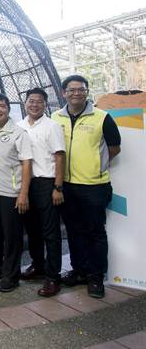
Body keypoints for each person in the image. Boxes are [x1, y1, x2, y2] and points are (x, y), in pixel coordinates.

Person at [52, 74, 121, 299]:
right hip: (67, 185)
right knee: (73, 231)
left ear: (86, 92)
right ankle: (79, 270)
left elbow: (114, 148)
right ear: (64, 93)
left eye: (80, 89)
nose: (76, 93)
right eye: (71, 90)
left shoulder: (102, 117)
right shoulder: (55, 117)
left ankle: (95, 276)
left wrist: (96, 166)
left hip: (93, 185)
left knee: (95, 232)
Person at [17, 88, 66, 297]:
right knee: (33, 230)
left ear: (45, 104)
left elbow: (60, 157)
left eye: (38, 101)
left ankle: (53, 277)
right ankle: (38, 266)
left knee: (50, 232)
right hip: (26, 184)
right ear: (25, 103)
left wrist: (57, 187)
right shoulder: (18, 126)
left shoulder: (52, 126)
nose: (34, 105)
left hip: (47, 184)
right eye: (30, 101)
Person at [0, 93, 32, 293]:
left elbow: (26, 163)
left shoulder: (18, 133)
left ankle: (11, 275)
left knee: (12, 237)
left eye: (1, 106)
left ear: (8, 108)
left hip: (11, 194)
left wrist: (23, 193)